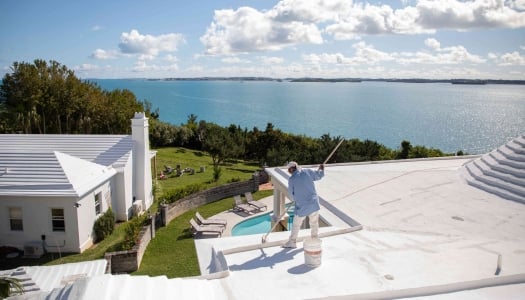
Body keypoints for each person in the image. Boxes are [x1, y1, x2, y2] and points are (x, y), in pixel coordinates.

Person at [282, 161, 324, 248]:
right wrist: (321, 170)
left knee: (296, 225)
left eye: (288, 170)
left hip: (302, 206)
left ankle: (292, 242)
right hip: (313, 203)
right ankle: (314, 240)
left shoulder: (292, 179)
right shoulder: (307, 171)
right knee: (314, 223)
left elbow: (291, 194)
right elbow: (318, 176)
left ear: (290, 169)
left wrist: (295, 199)